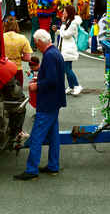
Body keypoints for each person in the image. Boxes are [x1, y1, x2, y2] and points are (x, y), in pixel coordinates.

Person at [13, 29, 66, 180]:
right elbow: (54, 78)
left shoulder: (49, 56)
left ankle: (31, 170)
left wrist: (37, 85)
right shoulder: (55, 52)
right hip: (55, 101)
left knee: (37, 135)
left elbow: (51, 80)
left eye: (36, 43)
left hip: (47, 102)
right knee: (53, 135)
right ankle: (53, 165)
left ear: (40, 42)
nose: (37, 46)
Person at [57, 5, 82, 95]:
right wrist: (60, 29)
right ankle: (71, 86)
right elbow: (63, 33)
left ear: (69, 12)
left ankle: (77, 85)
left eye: (64, 11)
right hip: (65, 48)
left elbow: (66, 34)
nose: (63, 13)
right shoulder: (69, 21)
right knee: (67, 69)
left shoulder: (73, 23)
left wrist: (62, 26)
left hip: (69, 49)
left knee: (67, 69)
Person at [3, 17, 33, 85]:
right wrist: (18, 57)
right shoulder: (22, 38)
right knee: (17, 92)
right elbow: (27, 58)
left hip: (3, 69)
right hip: (17, 69)